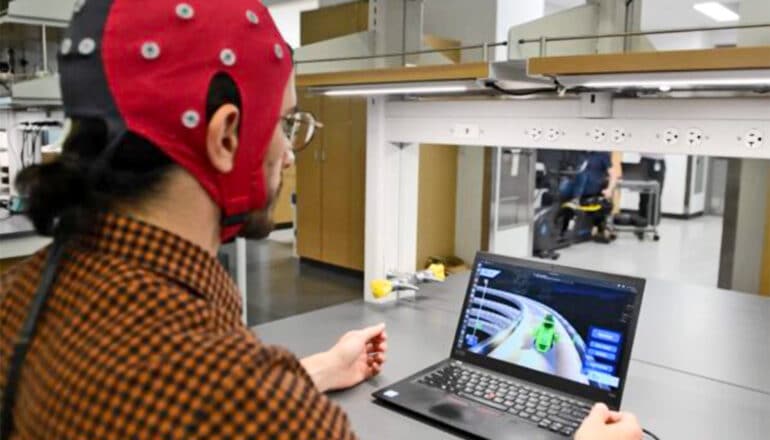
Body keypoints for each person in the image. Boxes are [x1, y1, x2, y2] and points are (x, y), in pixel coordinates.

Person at [0, 2, 641, 439]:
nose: (287, 150)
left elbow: (156, 398)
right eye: (284, 124)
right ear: (226, 137)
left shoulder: (25, 297)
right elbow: (219, 402)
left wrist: (312, 372)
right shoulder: (246, 403)